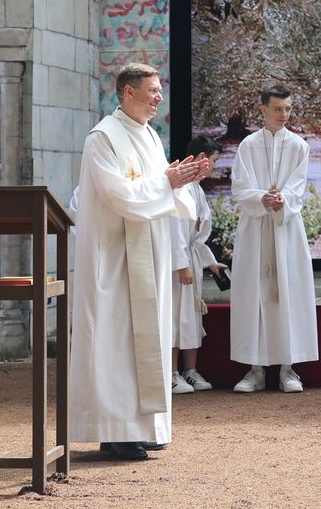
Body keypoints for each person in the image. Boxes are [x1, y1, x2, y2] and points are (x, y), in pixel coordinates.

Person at [68, 63, 211, 461]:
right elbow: (118, 195)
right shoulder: (103, 138)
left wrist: (181, 179)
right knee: (115, 344)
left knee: (145, 344)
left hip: (146, 254)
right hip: (112, 260)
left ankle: (143, 427)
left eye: (160, 90)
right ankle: (113, 431)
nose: (159, 97)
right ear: (127, 92)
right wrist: (167, 181)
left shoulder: (148, 135)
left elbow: (160, 189)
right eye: (152, 90)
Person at [228, 85, 318, 394]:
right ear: (263, 109)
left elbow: (298, 187)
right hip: (256, 230)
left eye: (288, 109)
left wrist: (283, 201)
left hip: (286, 228)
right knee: (255, 294)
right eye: (278, 109)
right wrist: (261, 198)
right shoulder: (248, 146)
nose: (284, 115)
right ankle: (254, 370)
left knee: (287, 294)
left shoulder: (298, 146)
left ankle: (287, 369)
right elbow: (239, 187)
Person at [170, 136, 229, 395]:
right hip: (177, 262)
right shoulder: (180, 188)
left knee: (192, 315)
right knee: (176, 314)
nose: (215, 166)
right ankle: (171, 372)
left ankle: (190, 370)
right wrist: (182, 265)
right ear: (202, 159)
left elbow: (196, 236)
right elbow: (176, 230)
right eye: (214, 160)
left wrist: (210, 262)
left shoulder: (197, 189)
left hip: (191, 256)